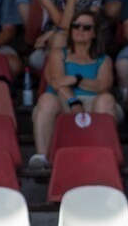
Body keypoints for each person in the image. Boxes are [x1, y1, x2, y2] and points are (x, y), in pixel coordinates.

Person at [29, 10, 120, 169]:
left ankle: (104, 155)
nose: (80, 30)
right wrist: (74, 101)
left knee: (106, 99)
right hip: (64, 101)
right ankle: (42, 157)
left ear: (94, 33)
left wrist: (74, 79)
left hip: (94, 103)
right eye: (76, 26)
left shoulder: (103, 59)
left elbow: (103, 86)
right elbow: (57, 82)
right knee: (46, 99)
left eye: (86, 27)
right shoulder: (58, 53)